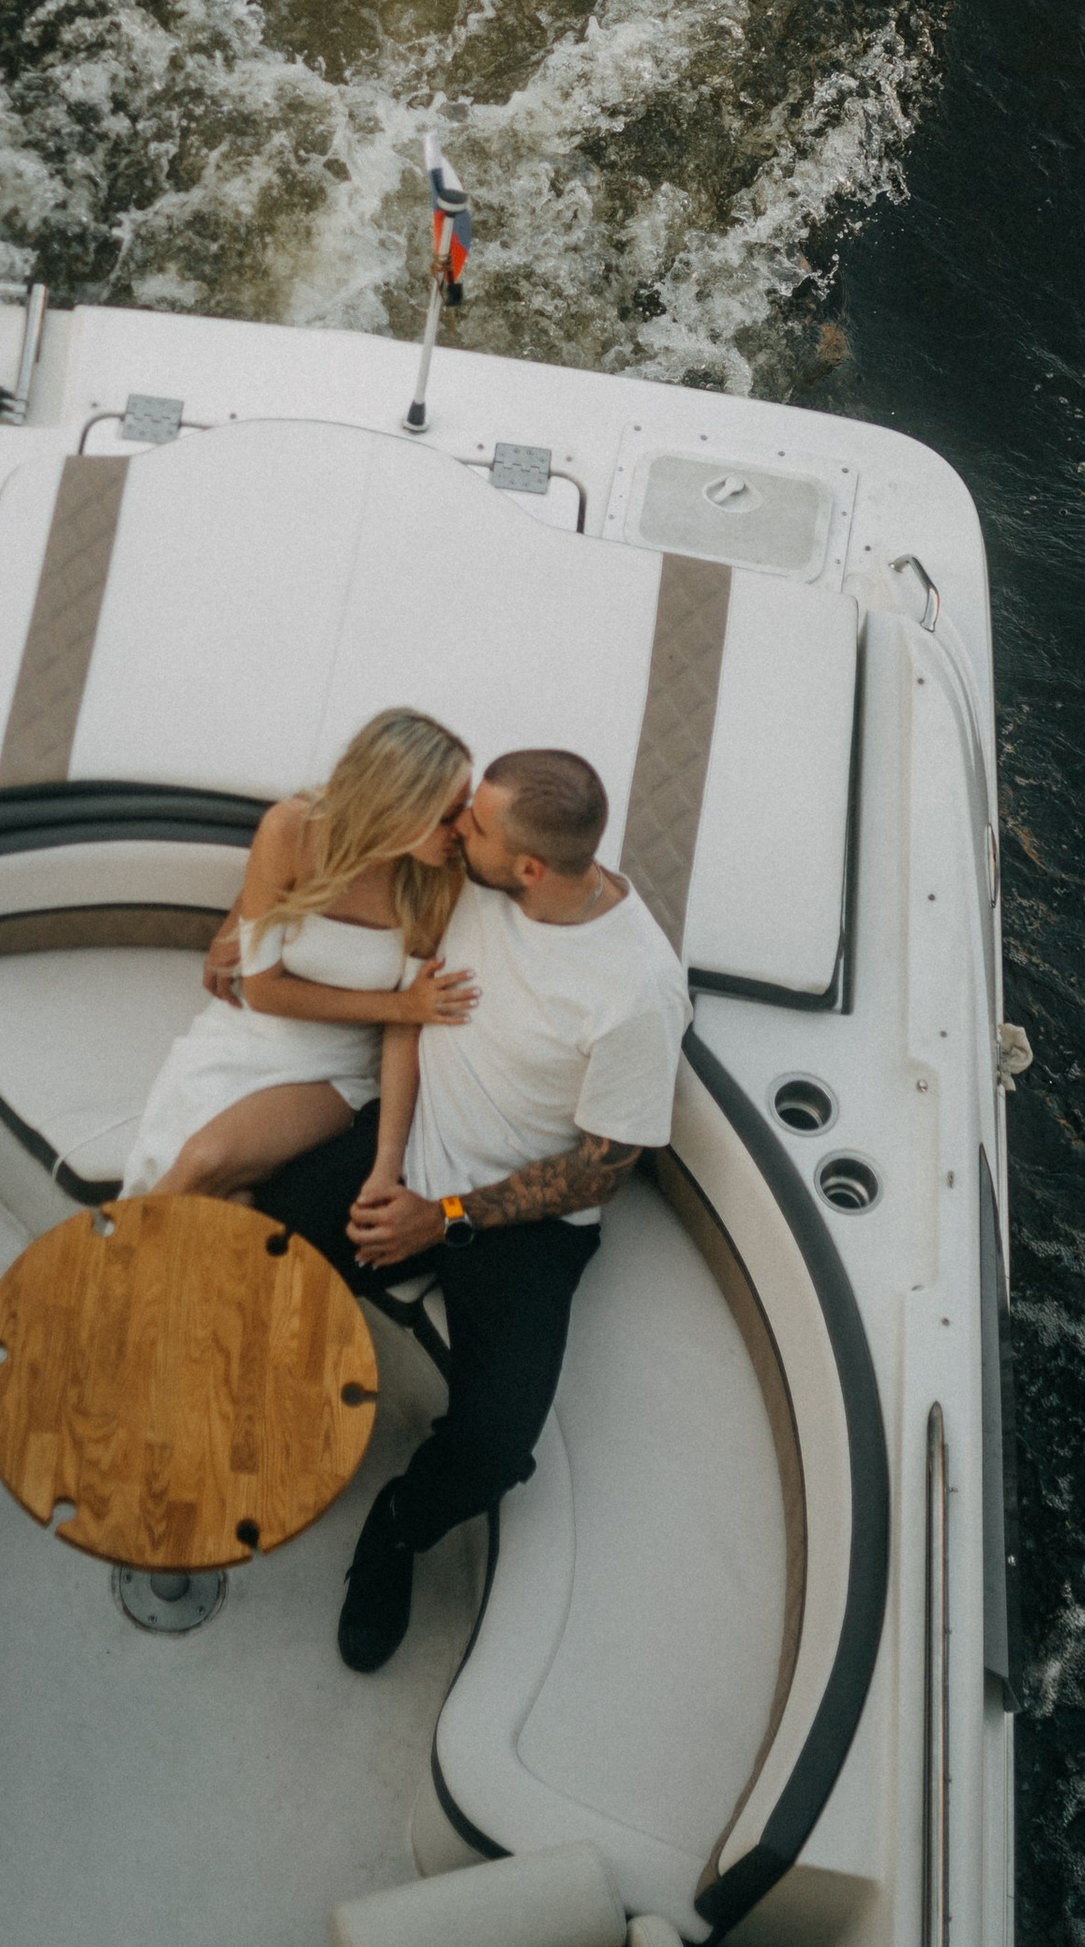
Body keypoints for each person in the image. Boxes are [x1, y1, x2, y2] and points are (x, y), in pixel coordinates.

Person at [256, 746, 691, 1673]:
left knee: (496, 1448)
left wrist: (441, 1216)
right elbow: (402, 1003)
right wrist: (389, 1169)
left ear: (529, 867)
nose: (454, 828)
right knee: (261, 1249)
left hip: (516, 1223)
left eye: (473, 824)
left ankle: (398, 1528)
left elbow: (600, 1172)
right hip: (408, 1145)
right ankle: (279, 1408)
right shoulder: (470, 880)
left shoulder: (637, 995)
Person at [120, 707, 479, 1201]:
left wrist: (387, 1164)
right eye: (448, 815)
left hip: (340, 1064)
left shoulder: (438, 878)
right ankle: (124, 1252)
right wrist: (400, 1004)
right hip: (250, 1028)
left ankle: (119, 1248)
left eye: (466, 806)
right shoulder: (290, 830)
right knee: (209, 1184)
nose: (462, 829)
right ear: (397, 808)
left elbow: (405, 1030)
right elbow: (263, 991)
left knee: (207, 1160)